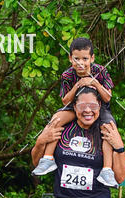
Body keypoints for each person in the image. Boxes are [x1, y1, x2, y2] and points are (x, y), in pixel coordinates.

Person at [32, 37, 120, 187]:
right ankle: (47, 158)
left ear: (92, 58)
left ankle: (107, 170)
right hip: (75, 107)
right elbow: (65, 101)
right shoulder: (67, 75)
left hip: (99, 108)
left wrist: (94, 82)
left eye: (85, 59)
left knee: (109, 128)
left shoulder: (101, 71)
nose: (80, 63)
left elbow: (107, 97)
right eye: (76, 59)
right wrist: (78, 85)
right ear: (70, 58)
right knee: (57, 119)